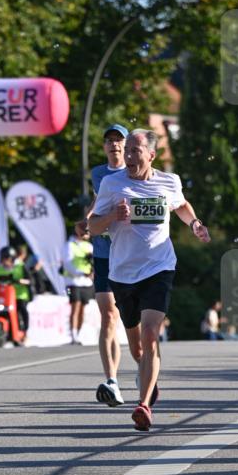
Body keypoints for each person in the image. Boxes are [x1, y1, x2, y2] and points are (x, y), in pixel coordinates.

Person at [89, 128, 210, 431]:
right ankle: (147, 375)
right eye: (127, 150)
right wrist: (112, 217)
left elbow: (181, 205)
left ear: (151, 155)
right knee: (137, 348)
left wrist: (195, 223)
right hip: (122, 273)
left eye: (135, 151)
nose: (128, 156)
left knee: (151, 333)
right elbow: (93, 227)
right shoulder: (112, 184)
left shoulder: (169, 181)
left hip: (159, 267)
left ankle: (143, 405)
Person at [88, 123, 137, 406]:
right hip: (104, 252)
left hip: (130, 252)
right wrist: (86, 221)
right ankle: (112, 380)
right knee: (108, 315)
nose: (114, 144)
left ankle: (143, 366)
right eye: (109, 140)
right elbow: (98, 203)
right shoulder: (97, 174)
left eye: (119, 140)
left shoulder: (136, 171)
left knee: (134, 317)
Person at [63, 220, 94, 344]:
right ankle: (73, 335)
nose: (88, 234)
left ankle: (78, 334)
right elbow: (67, 264)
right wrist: (81, 273)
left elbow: (92, 263)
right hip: (72, 282)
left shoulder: (89, 246)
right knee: (75, 306)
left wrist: (91, 273)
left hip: (86, 283)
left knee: (82, 309)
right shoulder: (69, 245)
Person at [0, 246, 32, 342]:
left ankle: (25, 332)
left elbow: (30, 280)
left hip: (20, 295)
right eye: (3, 259)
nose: (5, 261)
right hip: (5, 296)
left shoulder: (20, 266)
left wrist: (21, 281)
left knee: (22, 310)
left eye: (7, 259)